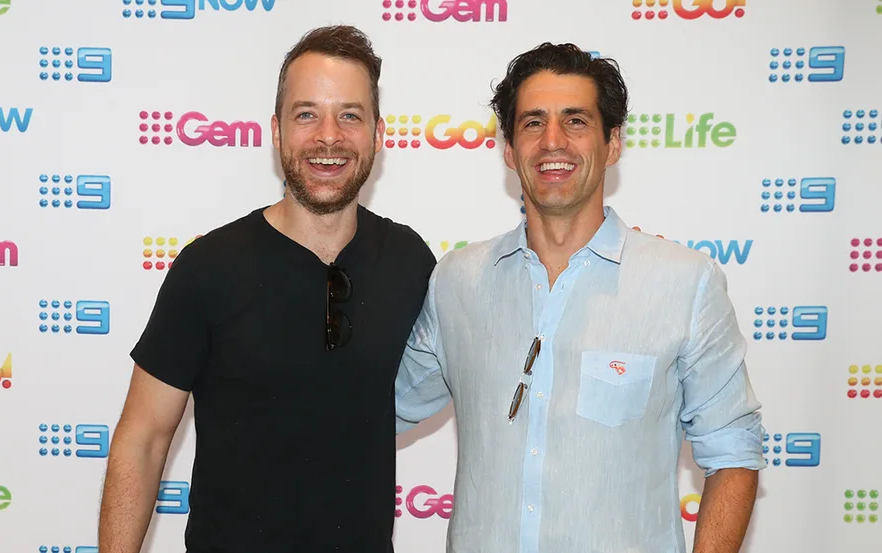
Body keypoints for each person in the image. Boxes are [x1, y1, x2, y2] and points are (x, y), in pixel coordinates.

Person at [395, 43, 765, 553]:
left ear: (612, 143)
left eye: (575, 121)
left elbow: (734, 453)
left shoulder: (686, 284)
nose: (553, 142)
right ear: (508, 148)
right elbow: (378, 408)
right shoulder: (456, 282)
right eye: (532, 123)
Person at [97, 25, 436, 553]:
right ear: (276, 131)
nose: (329, 136)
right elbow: (141, 439)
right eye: (307, 114)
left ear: (378, 133)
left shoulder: (411, 262)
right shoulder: (208, 268)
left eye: (350, 114)